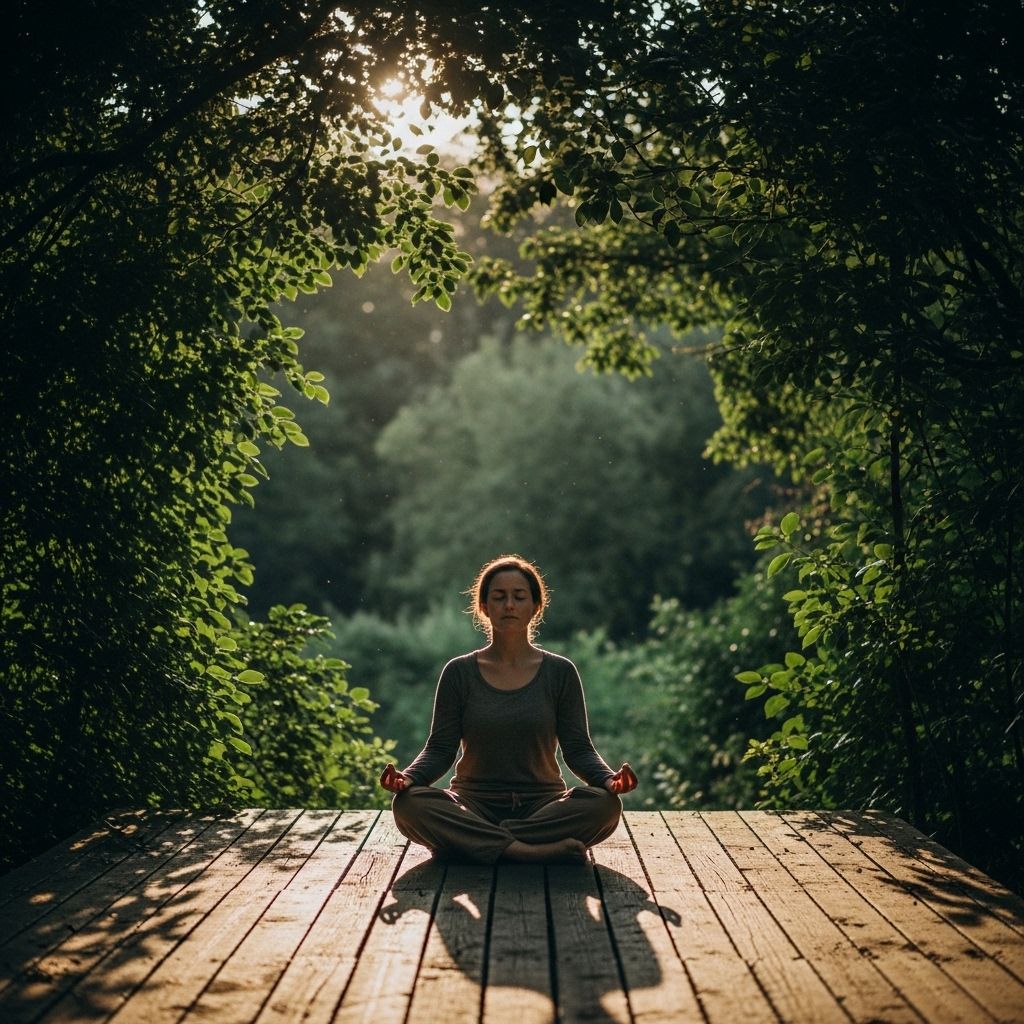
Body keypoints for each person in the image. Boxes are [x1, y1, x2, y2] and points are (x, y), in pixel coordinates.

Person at [379, 554, 638, 864]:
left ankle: (476, 841)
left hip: (543, 804)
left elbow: (579, 749)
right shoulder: (459, 672)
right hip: (472, 802)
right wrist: (407, 779)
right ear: (485, 607)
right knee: (409, 805)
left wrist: (609, 780)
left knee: (604, 806)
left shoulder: (560, 673)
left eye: (519, 597)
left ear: (535, 607)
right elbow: (439, 749)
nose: (509, 605)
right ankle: (524, 850)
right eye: (499, 597)